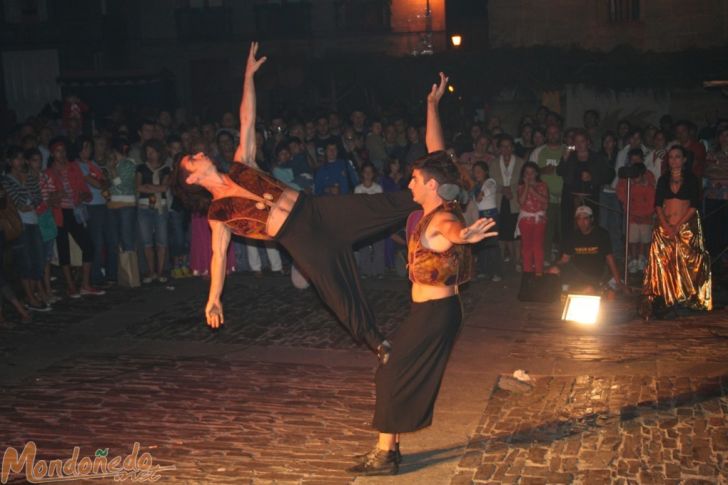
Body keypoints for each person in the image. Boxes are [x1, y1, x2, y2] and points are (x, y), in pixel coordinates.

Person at [172, 42, 418, 360]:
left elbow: (247, 118)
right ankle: (378, 343)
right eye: (192, 158)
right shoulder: (218, 214)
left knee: (373, 207)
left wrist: (247, 76)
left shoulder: (241, 163)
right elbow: (219, 257)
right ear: (191, 179)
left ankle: (426, 197)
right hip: (296, 238)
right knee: (335, 290)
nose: (200, 153)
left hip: (313, 209)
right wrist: (213, 298)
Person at [349, 73, 496, 476]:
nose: (409, 182)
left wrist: (465, 235)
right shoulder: (436, 203)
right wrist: (432, 106)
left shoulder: (443, 219)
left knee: (392, 371)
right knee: (397, 371)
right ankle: (389, 448)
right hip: (434, 313)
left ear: (431, 186)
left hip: (436, 315)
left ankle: (384, 453)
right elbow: (437, 152)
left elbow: (452, 233)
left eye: (414, 179)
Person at [641, 145, 712, 317]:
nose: (674, 160)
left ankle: (687, 297)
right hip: (665, 227)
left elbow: (694, 205)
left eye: (677, 156)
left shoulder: (692, 179)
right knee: (664, 261)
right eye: (671, 157)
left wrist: (677, 226)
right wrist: (666, 226)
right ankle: (665, 297)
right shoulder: (663, 179)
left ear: (684, 159)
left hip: (686, 227)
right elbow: (658, 205)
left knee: (689, 261)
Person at [45, 138, 105, 298]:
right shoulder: (48, 173)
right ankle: (71, 285)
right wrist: (56, 196)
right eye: (58, 151)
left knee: (88, 246)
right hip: (59, 213)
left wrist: (82, 195)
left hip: (75, 211)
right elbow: (46, 198)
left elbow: (87, 192)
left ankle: (85, 284)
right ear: (52, 153)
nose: (61, 154)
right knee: (63, 249)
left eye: (63, 150)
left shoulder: (73, 167)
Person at [547, 206, 626, 294]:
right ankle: (557, 297)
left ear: (591, 219)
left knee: (588, 291)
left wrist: (618, 281)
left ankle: (601, 285)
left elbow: (609, 258)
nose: (582, 222)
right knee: (553, 271)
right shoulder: (573, 235)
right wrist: (552, 267)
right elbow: (565, 259)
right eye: (579, 219)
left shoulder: (601, 234)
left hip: (595, 274)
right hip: (576, 271)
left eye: (585, 219)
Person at [135, 139, 171, 284]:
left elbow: (164, 188)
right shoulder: (141, 168)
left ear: (159, 152)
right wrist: (156, 187)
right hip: (144, 207)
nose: (150, 154)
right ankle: (151, 272)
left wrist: (148, 186)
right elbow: (138, 187)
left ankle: (160, 271)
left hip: (160, 207)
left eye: (153, 151)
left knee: (162, 241)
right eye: (147, 152)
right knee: (147, 242)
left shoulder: (165, 169)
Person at [616, 150, 656, 274]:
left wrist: (645, 214)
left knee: (644, 240)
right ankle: (632, 259)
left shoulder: (648, 177)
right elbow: (622, 194)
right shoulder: (627, 177)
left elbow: (652, 201)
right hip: (632, 216)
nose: (634, 163)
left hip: (646, 218)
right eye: (632, 160)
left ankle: (642, 259)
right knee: (632, 239)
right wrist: (630, 210)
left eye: (637, 160)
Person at [490, 134, 523, 268]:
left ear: (512, 148)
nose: (506, 149)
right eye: (503, 146)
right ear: (499, 149)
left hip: (515, 201)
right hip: (499, 201)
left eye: (508, 146)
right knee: (502, 233)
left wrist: (511, 189)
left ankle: (517, 260)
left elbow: (523, 181)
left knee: (516, 233)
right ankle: (502, 259)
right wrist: (503, 189)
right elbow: (491, 183)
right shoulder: (494, 163)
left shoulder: (520, 162)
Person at [516, 162, 549, 275]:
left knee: (538, 246)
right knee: (526, 247)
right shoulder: (521, 186)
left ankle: (539, 272)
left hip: (539, 220)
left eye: (532, 173)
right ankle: (527, 273)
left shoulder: (542, 185)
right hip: (526, 219)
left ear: (536, 173)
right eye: (526, 173)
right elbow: (521, 202)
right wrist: (527, 187)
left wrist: (532, 190)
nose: (529, 175)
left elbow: (545, 201)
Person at [472, 161, 502, 281]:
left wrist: (482, 193)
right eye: (475, 171)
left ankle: (496, 272)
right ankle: (484, 270)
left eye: (479, 171)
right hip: (481, 218)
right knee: (482, 245)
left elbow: (488, 190)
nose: (477, 173)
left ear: (485, 172)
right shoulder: (475, 185)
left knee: (492, 244)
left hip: (491, 217)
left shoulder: (490, 182)